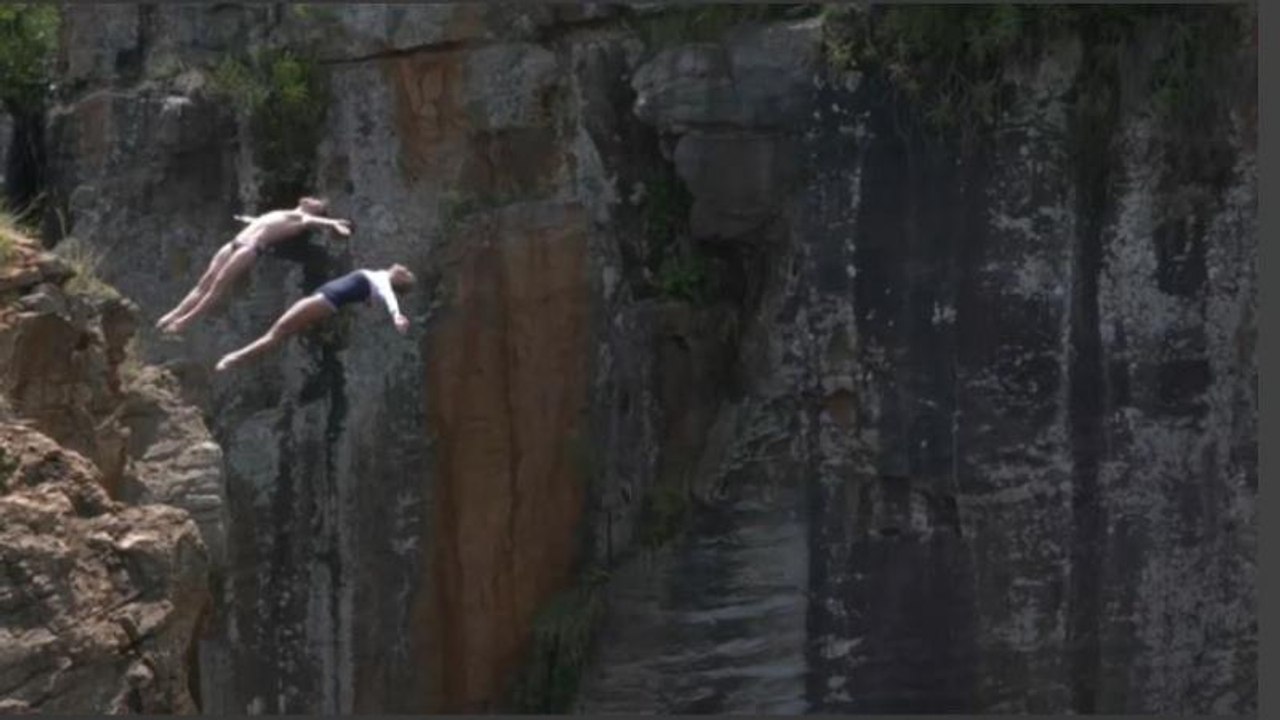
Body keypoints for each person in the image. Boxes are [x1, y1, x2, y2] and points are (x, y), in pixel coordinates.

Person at [156, 197, 353, 334]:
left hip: (250, 248)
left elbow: (313, 221)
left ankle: (184, 322)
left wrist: (334, 223)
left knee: (218, 286)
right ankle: (174, 314)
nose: (312, 198)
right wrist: (249, 220)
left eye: (318, 202)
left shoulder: (301, 219)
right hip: (234, 243)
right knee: (204, 282)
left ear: (316, 209)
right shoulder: (284, 212)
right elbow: (265, 222)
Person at [214, 264, 416, 372]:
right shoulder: (378, 277)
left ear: (398, 280)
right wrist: (367, 299)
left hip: (324, 301)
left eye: (405, 273)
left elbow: (389, 296)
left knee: (277, 332)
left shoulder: (383, 283)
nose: (404, 268)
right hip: (324, 302)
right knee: (279, 333)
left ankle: (233, 359)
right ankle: (235, 359)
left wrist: (396, 315)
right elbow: (373, 292)